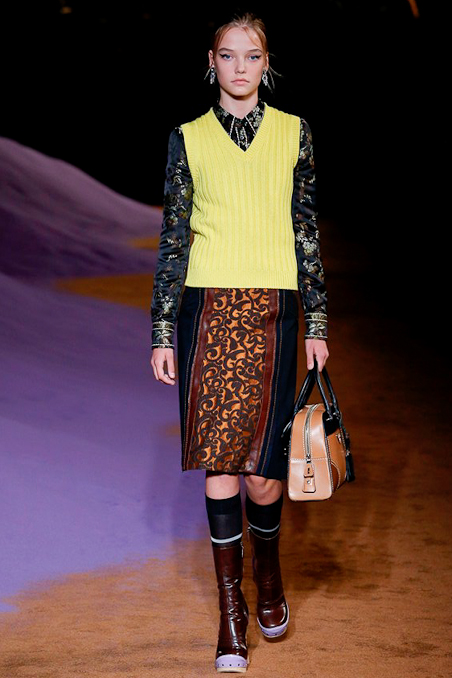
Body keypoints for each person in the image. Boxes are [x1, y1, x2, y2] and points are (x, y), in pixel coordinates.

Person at [150, 12, 329, 673]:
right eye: (228, 56)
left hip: (275, 310)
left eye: (251, 56)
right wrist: (163, 329)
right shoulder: (188, 138)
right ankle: (231, 613)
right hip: (208, 311)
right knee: (220, 463)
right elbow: (174, 236)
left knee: (263, 474)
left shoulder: (294, 133)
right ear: (212, 62)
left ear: (266, 62)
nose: (240, 67)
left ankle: (269, 571)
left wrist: (317, 322)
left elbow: (305, 229)